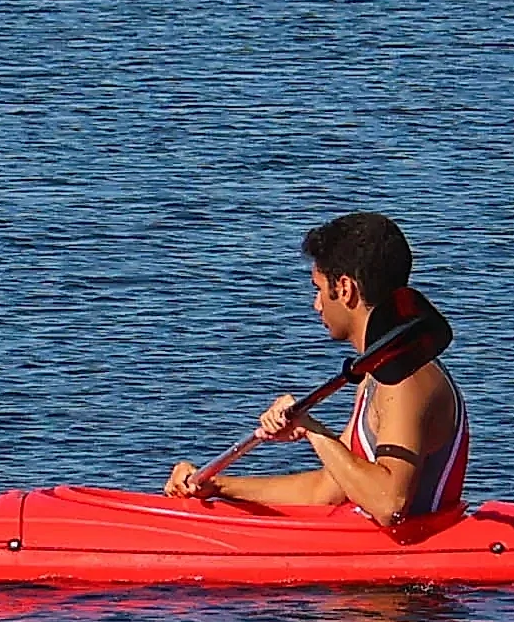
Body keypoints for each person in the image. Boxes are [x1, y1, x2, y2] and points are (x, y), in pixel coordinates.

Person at [164, 212, 467, 525]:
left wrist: (312, 429)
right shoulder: (377, 373)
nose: (316, 305)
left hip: (413, 562)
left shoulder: (405, 380)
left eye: (319, 288)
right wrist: (217, 487)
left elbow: (389, 503)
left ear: (345, 289)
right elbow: (329, 489)